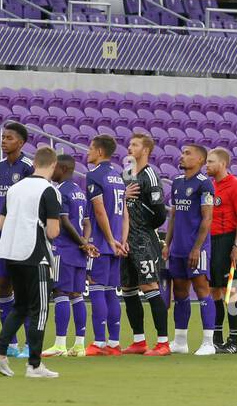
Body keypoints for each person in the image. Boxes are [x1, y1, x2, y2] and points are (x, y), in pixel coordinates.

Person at [0, 146, 64, 379]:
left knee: (20, 306)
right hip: (35, 255)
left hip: (11, 252)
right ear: (53, 165)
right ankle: (34, 365)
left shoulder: (14, 188)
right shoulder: (50, 191)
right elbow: (52, 231)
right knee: (39, 310)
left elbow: (1, 224)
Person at [42, 156, 100, 358]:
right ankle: (79, 345)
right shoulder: (79, 192)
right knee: (77, 295)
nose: (52, 170)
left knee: (61, 293)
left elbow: (64, 221)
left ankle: (59, 344)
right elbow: (87, 222)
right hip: (78, 252)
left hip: (65, 249)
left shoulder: (59, 191)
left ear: (63, 168)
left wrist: (83, 243)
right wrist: (84, 243)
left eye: (55, 167)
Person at [117, 132, 169, 355]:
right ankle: (139, 340)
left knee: (150, 287)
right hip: (126, 240)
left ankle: (163, 342)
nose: (130, 147)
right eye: (129, 144)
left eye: (135, 144)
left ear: (145, 150)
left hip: (144, 240)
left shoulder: (151, 176)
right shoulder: (126, 173)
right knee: (128, 289)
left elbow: (159, 213)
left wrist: (145, 229)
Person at [164, 143, 216, 355]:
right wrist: (167, 243)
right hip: (178, 247)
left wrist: (197, 248)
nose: (182, 157)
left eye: (187, 154)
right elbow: (174, 215)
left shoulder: (205, 185)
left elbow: (207, 218)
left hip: (197, 248)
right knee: (180, 291)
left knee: (202, 289)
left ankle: (208, 342)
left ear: (200, 160)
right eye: (183, 153)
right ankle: (180, 341)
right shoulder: (176, 182)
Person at [83, 134, 129, 355]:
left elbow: (99, 210)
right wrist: (122, 240)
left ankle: (99, 342)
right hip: (116, 243)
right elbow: (125, 211)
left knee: (97, 289)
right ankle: (114, 342)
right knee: (112, 292)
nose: (88, 152)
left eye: (91, 148)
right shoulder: (118, 176)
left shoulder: (94, 176)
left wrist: (110, 240)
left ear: (100, 152)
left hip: (101, 242)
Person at [0, 123, 33, 356]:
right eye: (3, 137)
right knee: (2, 285)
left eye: (9, 138)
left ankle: (28, 343)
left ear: (21, 142)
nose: (4, 141)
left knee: (21, 287)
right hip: (1, 233)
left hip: (19, 234)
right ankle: (12, 343)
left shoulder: (28, 167)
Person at [206, 147, 237, 352]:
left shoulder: (236, 185)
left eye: (211, 162)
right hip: (211, 242)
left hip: (227, 241)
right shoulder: (211, 186)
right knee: (213, 290)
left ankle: (234, 340)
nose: (207, 165)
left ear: (222, 164)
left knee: (229, 291)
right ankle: (217, 338)